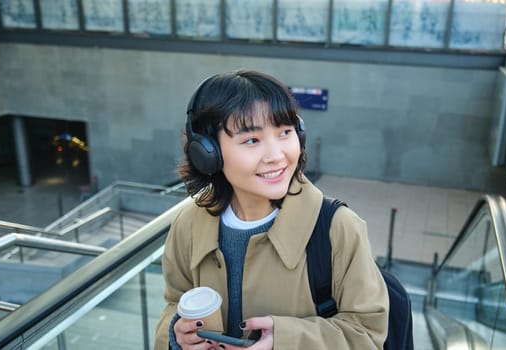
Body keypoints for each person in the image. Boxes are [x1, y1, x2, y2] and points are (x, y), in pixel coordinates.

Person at [154, 70, 389, 350]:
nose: (277, 155)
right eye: (252, 140)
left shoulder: (337, 228)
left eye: (285, 133)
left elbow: (368, 333)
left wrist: (287, 341)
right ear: (207, 153)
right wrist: (176, 335)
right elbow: (174, 302)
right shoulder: (188, 223)